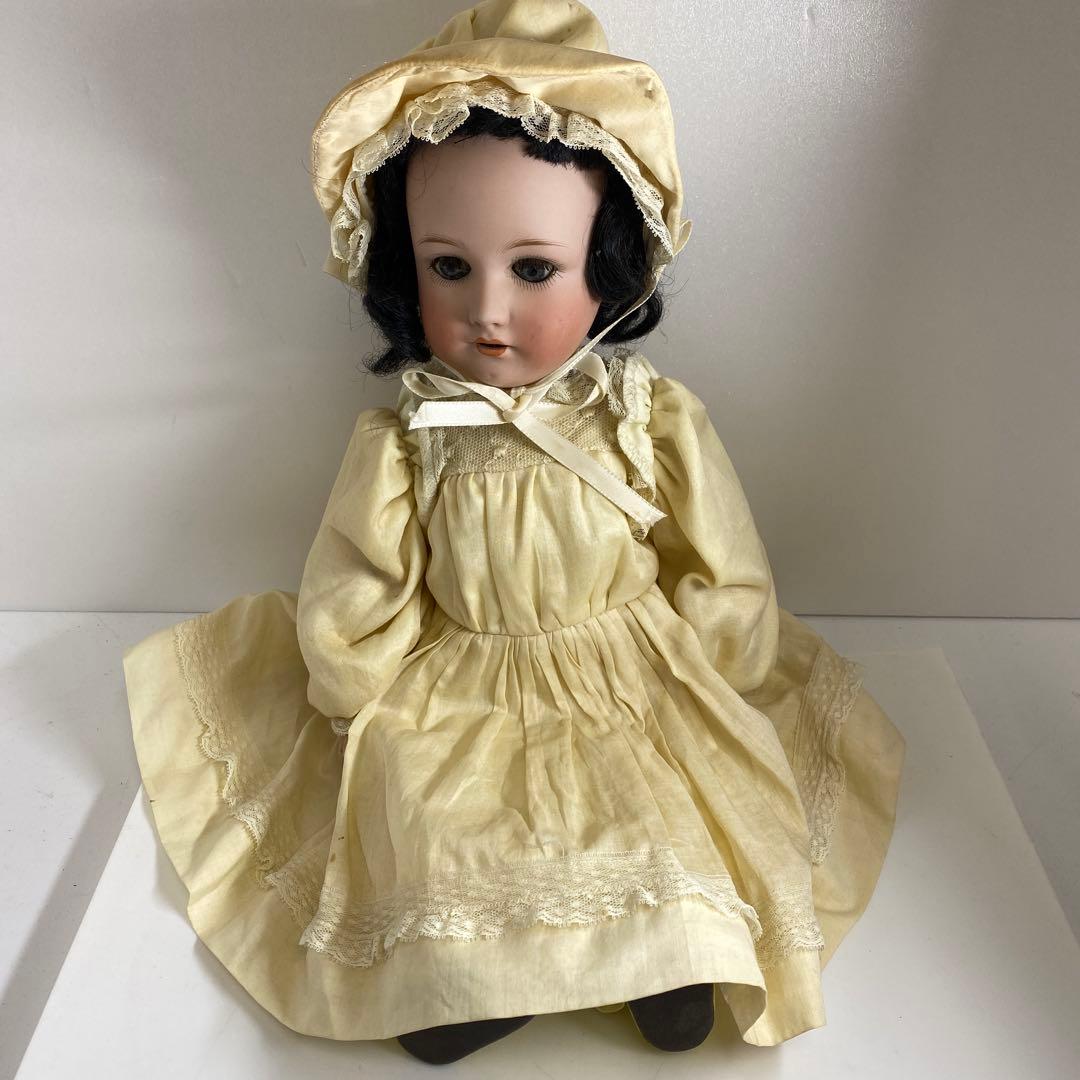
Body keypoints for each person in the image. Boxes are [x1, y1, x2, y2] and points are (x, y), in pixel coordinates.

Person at [123, 0, 905, 1065]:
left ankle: (668, 959)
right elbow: (365, 576)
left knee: (659, 816)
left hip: (629, 673)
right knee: (441, 826)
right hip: (464, 679)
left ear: (611, 264)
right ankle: (466, 973)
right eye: (450, 267)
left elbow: (717, 558)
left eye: (534, 269)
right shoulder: (408, 439)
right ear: (404, 269)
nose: (487, 309)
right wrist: (355, 683)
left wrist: (729, 665)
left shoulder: (644, 418)